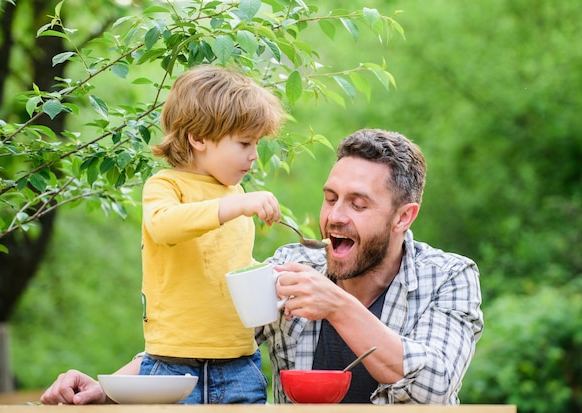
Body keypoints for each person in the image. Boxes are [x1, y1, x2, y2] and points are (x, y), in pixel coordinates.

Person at [41, 129, 483, 405]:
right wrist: (111, 389)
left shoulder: (449, 277)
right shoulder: (291, 267)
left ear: (404, 217)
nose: (335, 216)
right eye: (330, 199)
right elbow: (206, 339)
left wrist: (338, 307)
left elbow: (435, 389)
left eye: (358, 203)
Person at [131, 64, 284, 404]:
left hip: (239, 363)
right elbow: (165, 225)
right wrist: (238, 206)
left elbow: (230, 264)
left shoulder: (235, 195)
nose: (254, 155)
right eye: (245, 142)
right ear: (198, 138)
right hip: (173, 366)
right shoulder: (166, 185)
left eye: (256, 143)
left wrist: (271, 277)